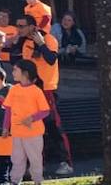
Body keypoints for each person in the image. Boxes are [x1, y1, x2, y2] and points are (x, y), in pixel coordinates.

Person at [13, 16, 73, 176]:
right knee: (34, 128)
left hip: (47, 89)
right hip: (31, 89)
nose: (19, 29)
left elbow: (52, 59)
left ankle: (65, 162)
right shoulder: (25, 43)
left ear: (32, 27)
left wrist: (41, 44)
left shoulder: (49, 39)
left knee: (53, 126)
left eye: (22, 26)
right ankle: (37, 164)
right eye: (17, 26)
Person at [2, 59, 52, 185]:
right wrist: (6, 127)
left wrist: (31, 118)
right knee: (17, 159)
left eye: (15, 70)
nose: (13, 73)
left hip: (33, 133)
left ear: (25, 73)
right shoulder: (14, 89)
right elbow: (8, 110)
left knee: (35, 159)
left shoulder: (36, 91)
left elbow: (45, 111)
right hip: (17, 133)